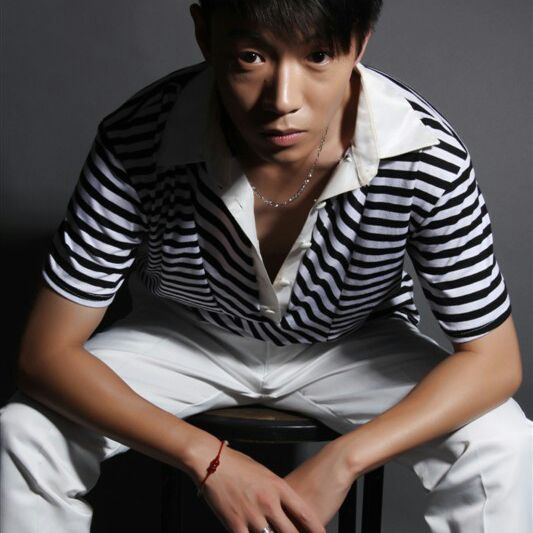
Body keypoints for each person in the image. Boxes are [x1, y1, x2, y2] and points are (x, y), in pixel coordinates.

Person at [1, 1, 532, 532]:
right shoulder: (140, 135)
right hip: (186, 334)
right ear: (205, 34)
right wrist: (207, 459)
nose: (282, 100)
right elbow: (45, 354)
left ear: (360, 43)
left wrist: (345, 459)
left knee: (502, 444)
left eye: (318, 55)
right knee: (24, 433)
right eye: (251, 56)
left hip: (352, 341)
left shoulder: (425, 153)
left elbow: (494, 361)